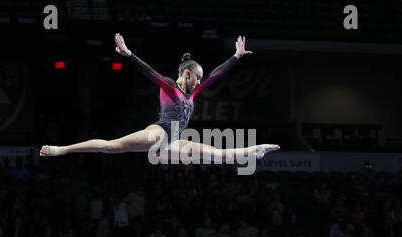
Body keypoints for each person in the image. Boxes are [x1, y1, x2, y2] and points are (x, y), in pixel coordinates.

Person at [39, 33, 280, 163]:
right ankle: (62, 149)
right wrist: (129, 54)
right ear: (187, 73)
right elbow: (149, 72)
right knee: (112, 147)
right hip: (159, 133)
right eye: (196, 78)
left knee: (215, 154)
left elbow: (216, 75)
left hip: (173, 139)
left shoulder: (191, 93)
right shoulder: (170, 88)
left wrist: (236, 57)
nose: (199, 82)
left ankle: (254, 151)